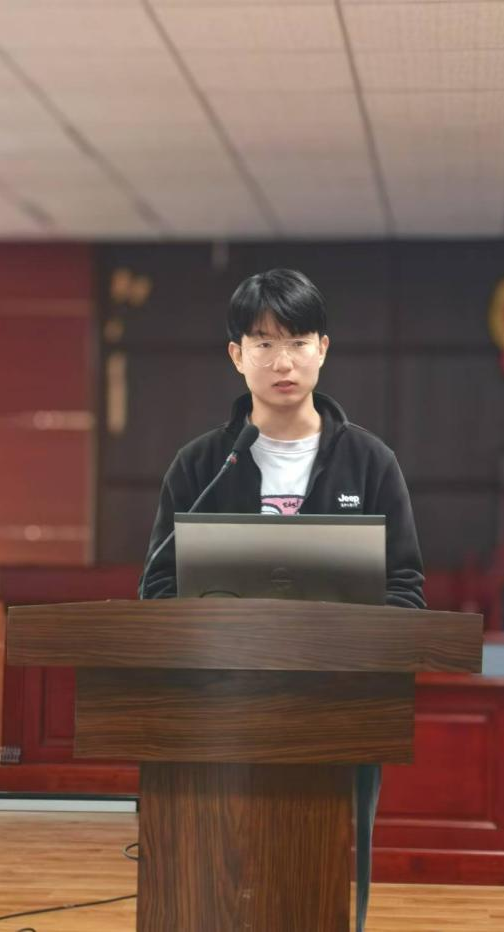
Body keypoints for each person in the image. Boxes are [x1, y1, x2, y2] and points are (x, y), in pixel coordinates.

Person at [139, 267, 426, 932]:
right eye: (263, 343)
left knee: (317, 880)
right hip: (220, 711)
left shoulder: (370, 462)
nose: (282, 361)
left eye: (296, 341)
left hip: (336, 709)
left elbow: (405, 591)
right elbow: (158, 588)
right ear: (236, 356)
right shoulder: (201, 465)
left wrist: (335, 645)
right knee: (215, 881)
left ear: (322, 348)